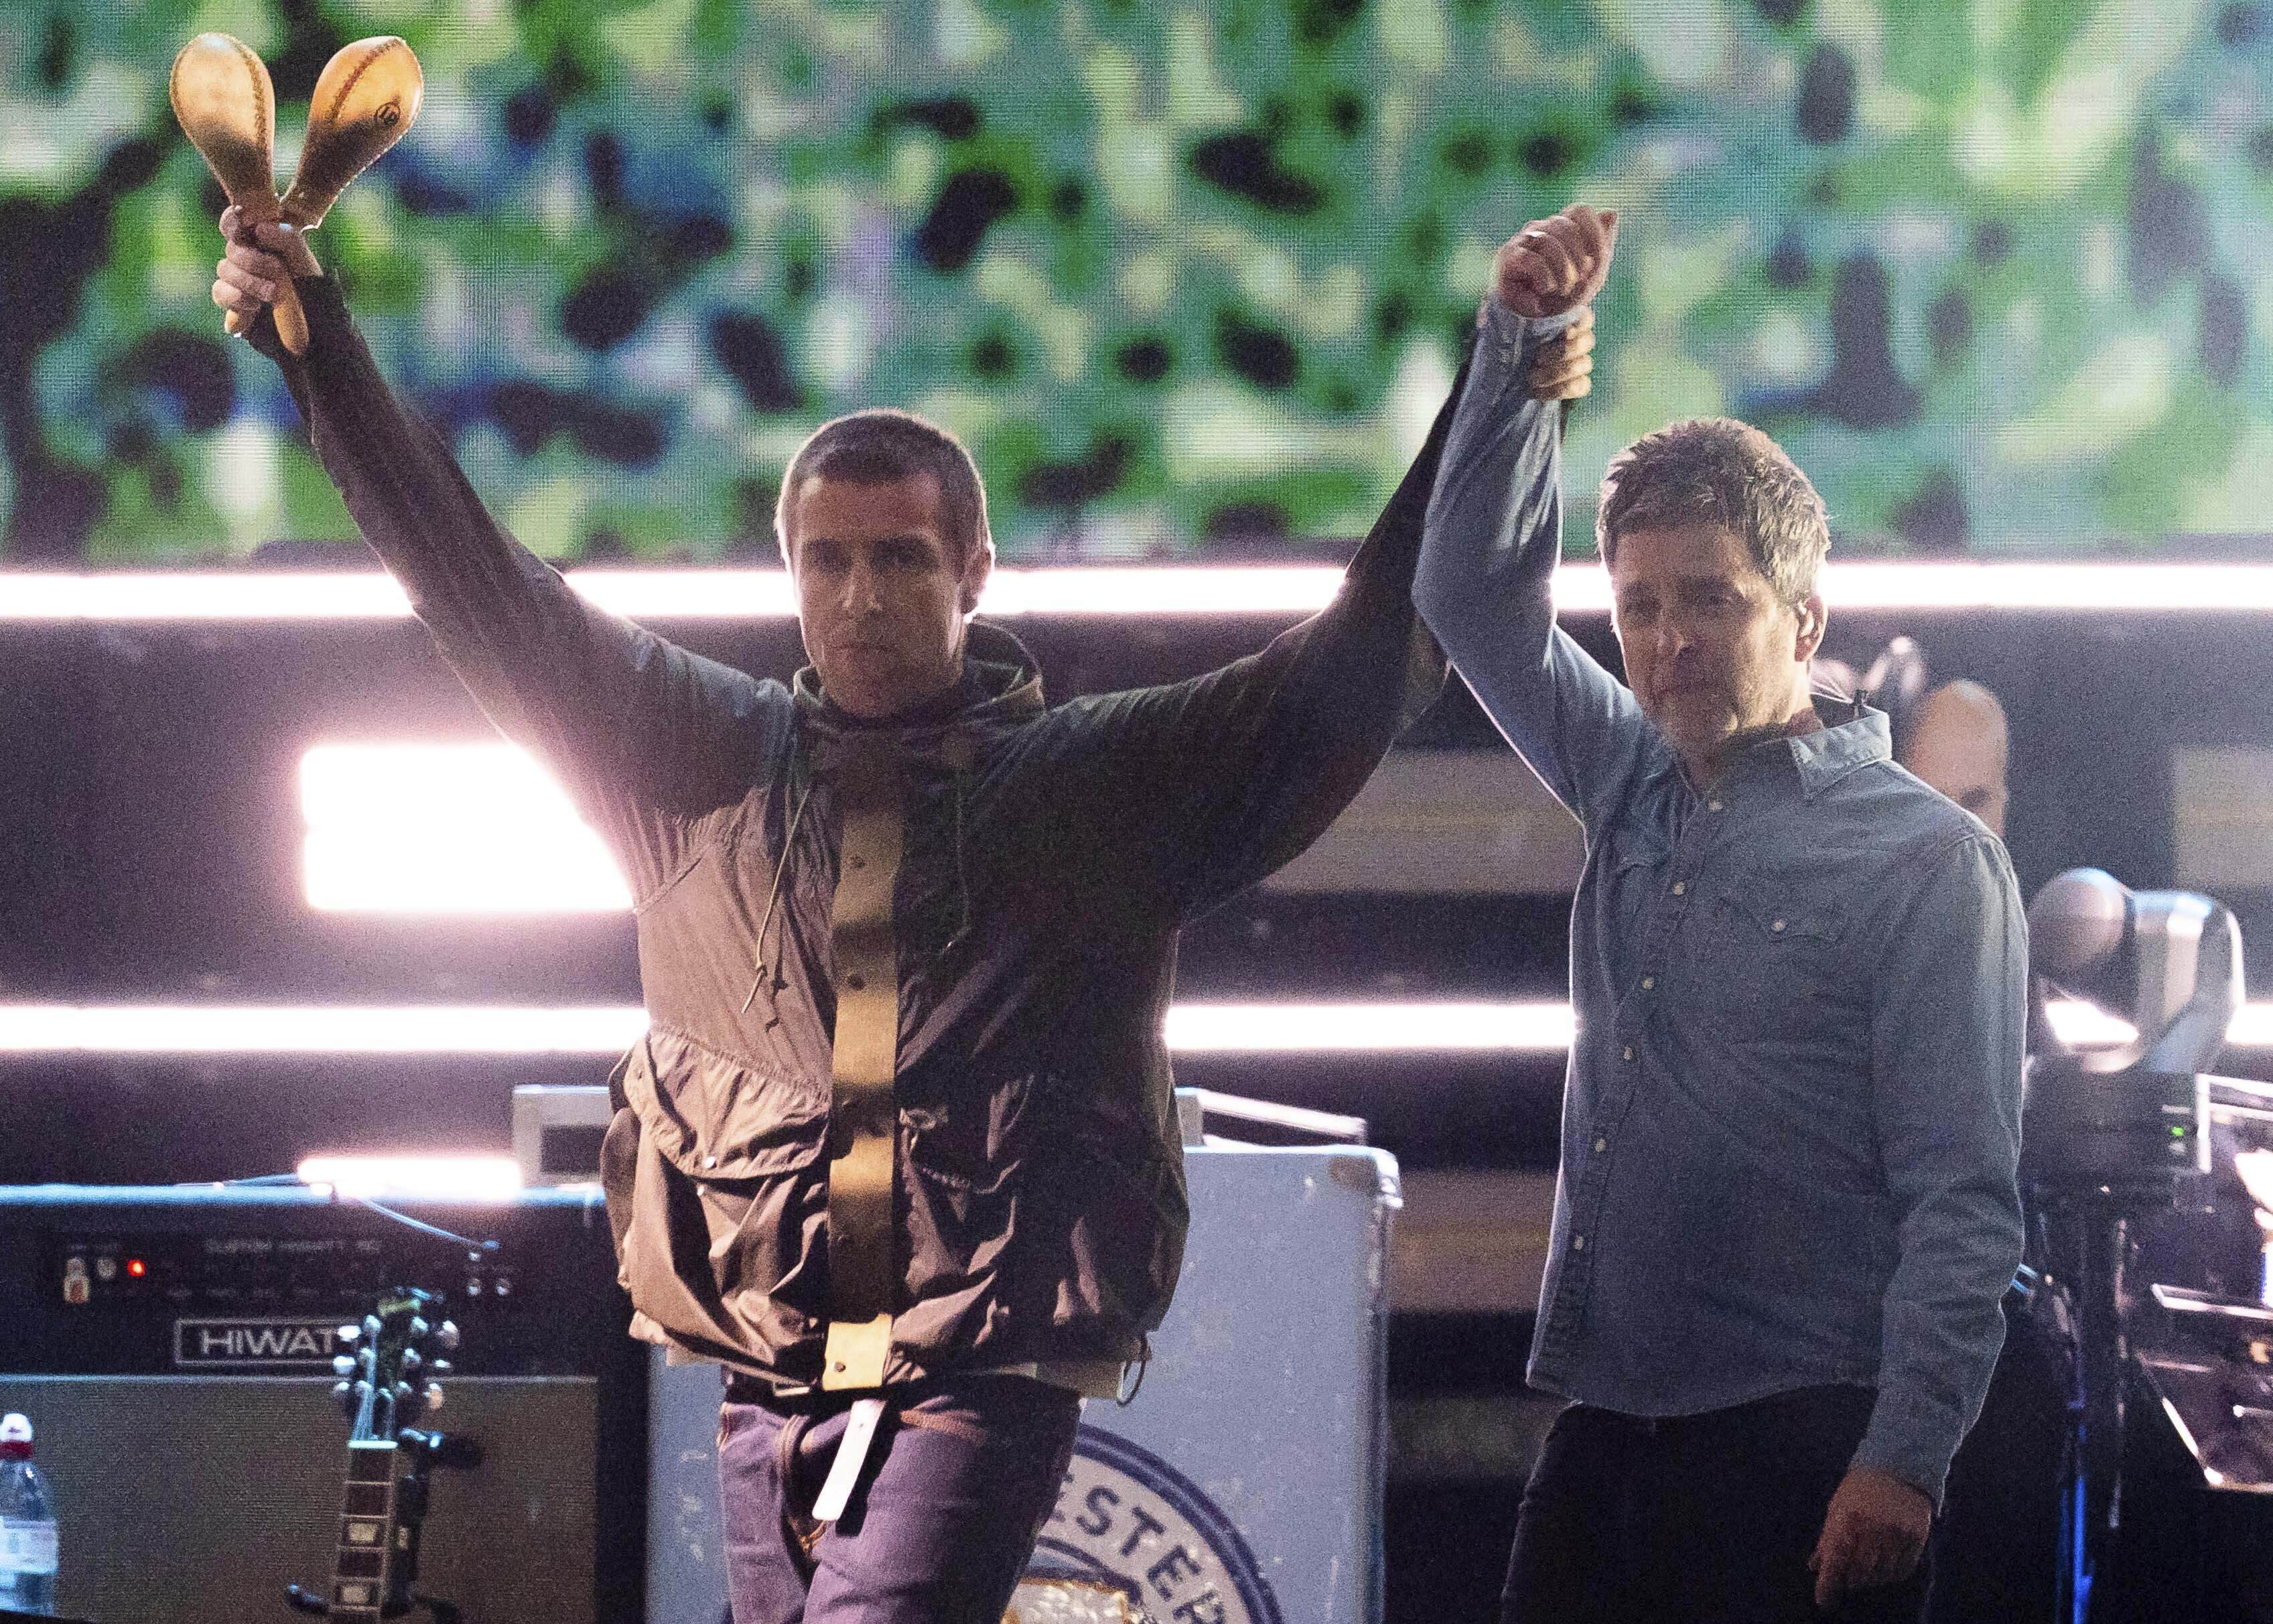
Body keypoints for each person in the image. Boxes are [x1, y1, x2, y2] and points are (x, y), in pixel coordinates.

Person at [210, 209, 1586, 1623]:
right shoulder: (686, 757)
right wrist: (317, 344)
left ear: (972, 571)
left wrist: (1502, 370)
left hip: (978, 1379)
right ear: (789, 573)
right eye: (829, 561)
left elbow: (1356, 658)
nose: (862, 597)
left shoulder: (1102, 785)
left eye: (902, 560)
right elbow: (470, 576)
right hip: (760, 1380)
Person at [1412, 204, 2026, 1623]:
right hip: (1605, 1424)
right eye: (1636, 606)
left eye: (1709, 600)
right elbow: (1466, 592)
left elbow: (1963, 1200)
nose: (1666, 640)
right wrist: (1520, 350)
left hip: (1810, 1440)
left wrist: (1904, 1459)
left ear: (1802, 623)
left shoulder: (1927, 861)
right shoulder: (1629, 776)